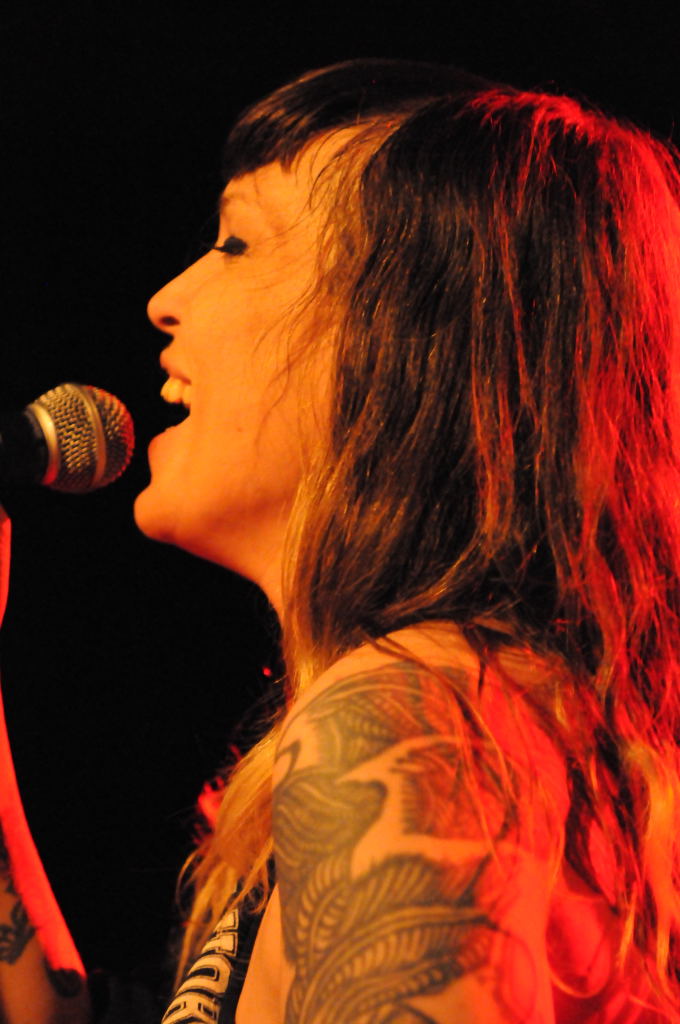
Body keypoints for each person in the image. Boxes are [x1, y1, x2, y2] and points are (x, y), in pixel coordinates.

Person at [1, 57, 680, 1023]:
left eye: (237, 243)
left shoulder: (401, 720)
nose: (167, 297)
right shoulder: (457, 715)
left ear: (411, 340)